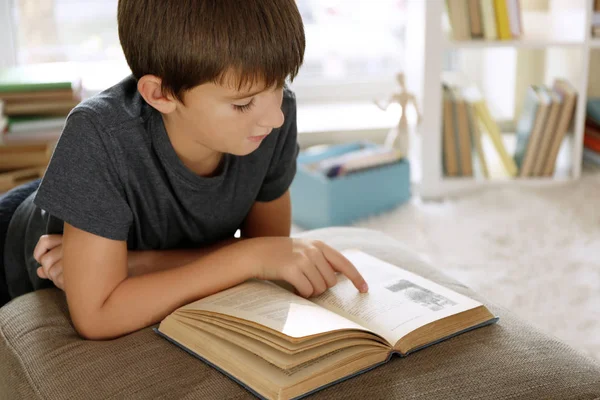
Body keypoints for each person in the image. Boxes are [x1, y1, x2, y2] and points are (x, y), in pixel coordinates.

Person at [0, 0, 368, 340]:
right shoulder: (98, 133)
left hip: (102, 231)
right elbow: (97, 317)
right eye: (242, 104)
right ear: (161, 95)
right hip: (16, 245)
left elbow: (269, 254)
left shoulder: (272, 116)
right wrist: (246, 257)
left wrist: (137, 264)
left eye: (277, 85)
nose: (275, 117)